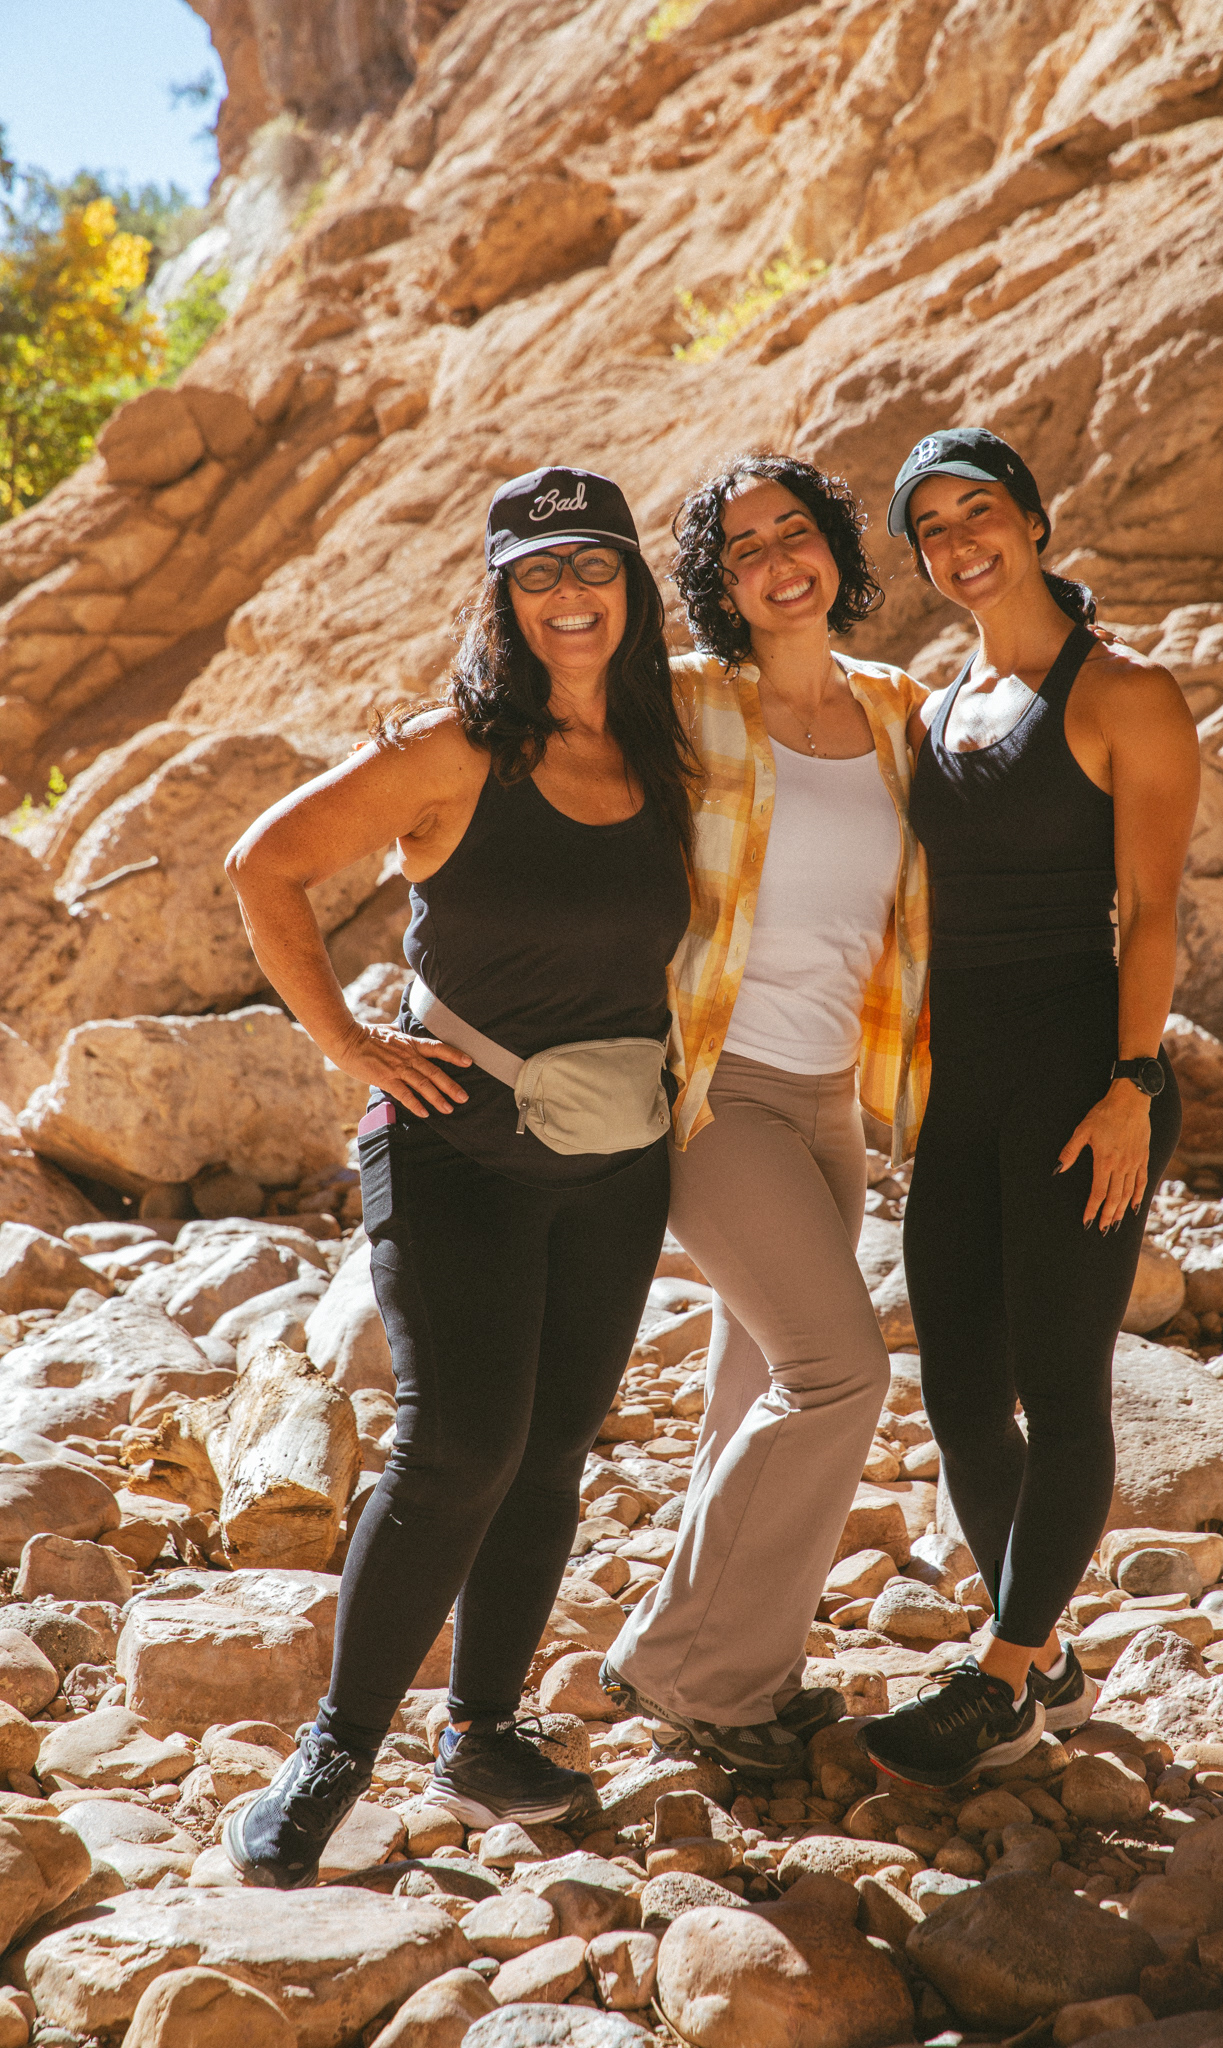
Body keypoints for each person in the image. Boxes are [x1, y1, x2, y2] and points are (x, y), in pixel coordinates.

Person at [220, 468, 694, 1885]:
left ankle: (483, 1735)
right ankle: (331, 1757)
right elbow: (264, 865)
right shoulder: (453, 751)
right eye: (537, 574)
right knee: (458, 1448)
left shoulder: (665, 750)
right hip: (454, 1150)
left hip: (616, 1155)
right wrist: (349, 1042)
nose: (568, 596)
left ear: (630, 586)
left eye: (591, 567)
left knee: (551, 1449)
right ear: (501, 598)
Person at [857, 428, 1198, 1789]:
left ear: (1035, 521)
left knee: (1058, 1386)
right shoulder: (937, 708)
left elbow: (1153, 913)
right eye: (930, 528)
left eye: (978, 510)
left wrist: (1132, 1085)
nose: (958, 543)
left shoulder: (1124, 694)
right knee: (953, 1388)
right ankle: (1043, 1649)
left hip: (1080, 1079)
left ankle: (1001, 1679)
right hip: (963, 1085)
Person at [600, 453, 933, 1775]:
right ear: (718, 586)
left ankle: (745, 1662)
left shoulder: (901, 710)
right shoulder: (685, 703)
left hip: (831, 1098)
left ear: (834, 551)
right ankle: (683, 1664)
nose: (777, 561)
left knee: (753, 1383)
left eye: (795, 532)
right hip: (713, 1091)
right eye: (743, 549)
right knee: (838, 1373)